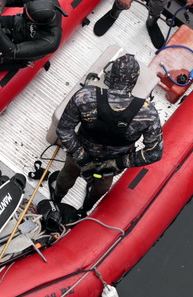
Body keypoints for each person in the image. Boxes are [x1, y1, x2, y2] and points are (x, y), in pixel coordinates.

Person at [47, 54, 163, 223]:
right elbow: (154, 153)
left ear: (110, 76)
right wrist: (117, 163)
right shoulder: (147, 113)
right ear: (134, 80)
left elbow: (64, 129)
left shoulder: (86, 96)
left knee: (66, 176)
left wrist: (84, 159)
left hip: (78, 157)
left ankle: (56, 200)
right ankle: (85, 209)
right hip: (109, 167)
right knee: (100, 187)